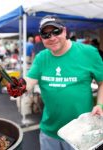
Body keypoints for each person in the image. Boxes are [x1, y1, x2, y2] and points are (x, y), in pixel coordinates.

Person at [6, 15, 103, 150]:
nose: (51, 37)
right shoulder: (41, 58)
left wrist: (100, 104)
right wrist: (20, 86)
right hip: (49, 131)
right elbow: (29, 81)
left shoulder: (88, 52)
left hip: (81, 132)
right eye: (45, 34)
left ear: (64, 31)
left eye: (55, 31)